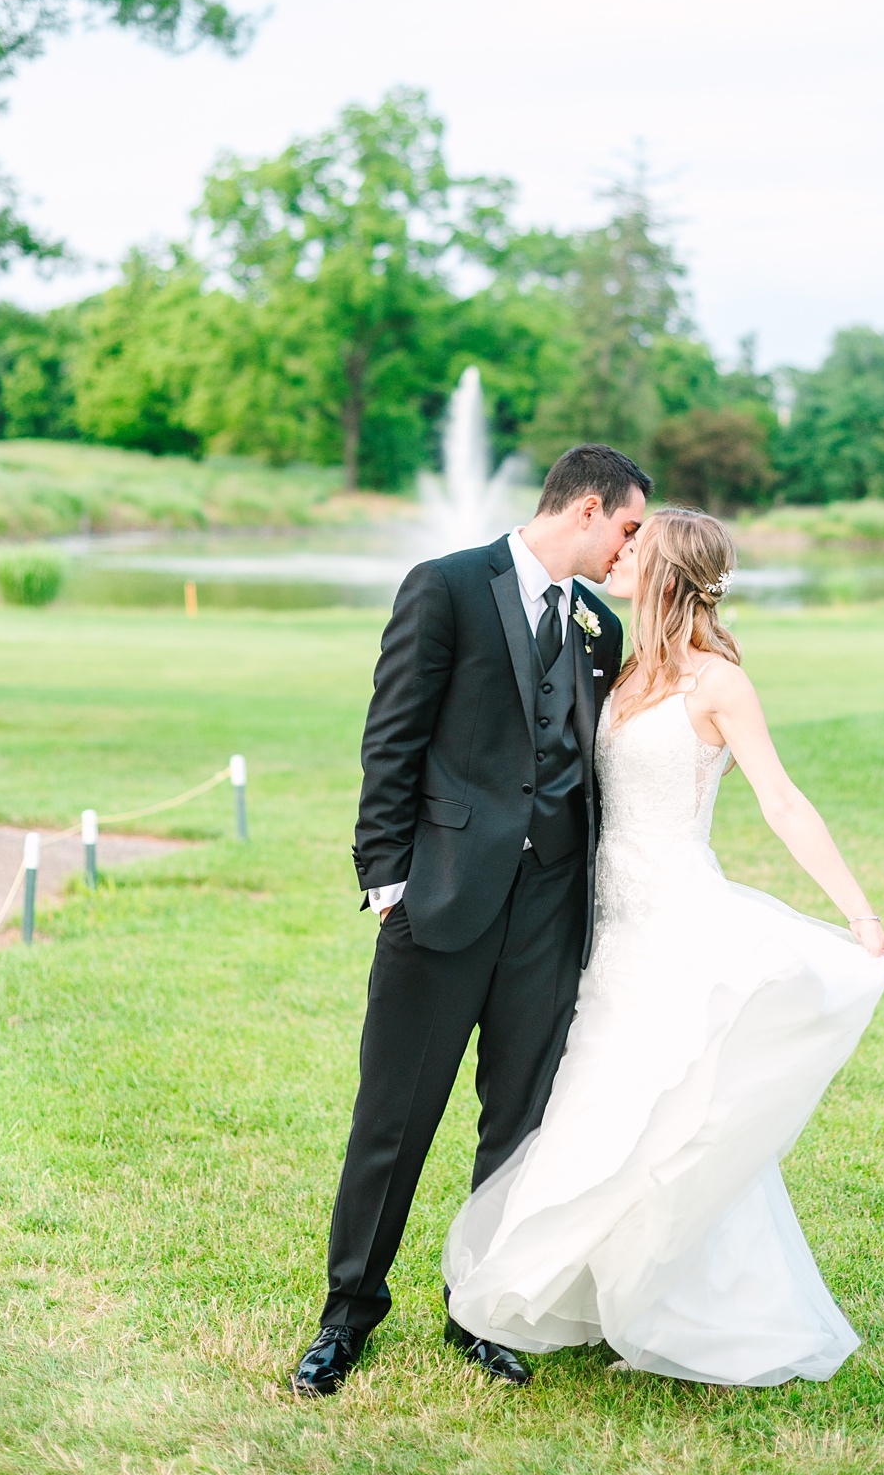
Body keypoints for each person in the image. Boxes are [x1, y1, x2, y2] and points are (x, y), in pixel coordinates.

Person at [441, 506, 884, 1385]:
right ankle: (596, 1293)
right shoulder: (625, 664)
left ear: (666, 573)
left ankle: (689, 1308)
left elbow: (783, 800)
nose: (619, 553)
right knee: (598, 1107)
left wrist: (861, 914)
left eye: (635, 548)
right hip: (604, 920)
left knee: (662, 1114)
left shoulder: (717, 683)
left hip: (674, 920)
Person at [291, 443, 648, 1397]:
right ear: (586, 509)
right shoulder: (446, 587)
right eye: (628, 526)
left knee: (519, 1125)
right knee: (393, 1118)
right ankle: (347, 1313)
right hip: (440, 898)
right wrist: (387, 878)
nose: (630, 547)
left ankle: (478, 1309)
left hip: (549, 913)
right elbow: (392, 734)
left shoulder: (600, 629)